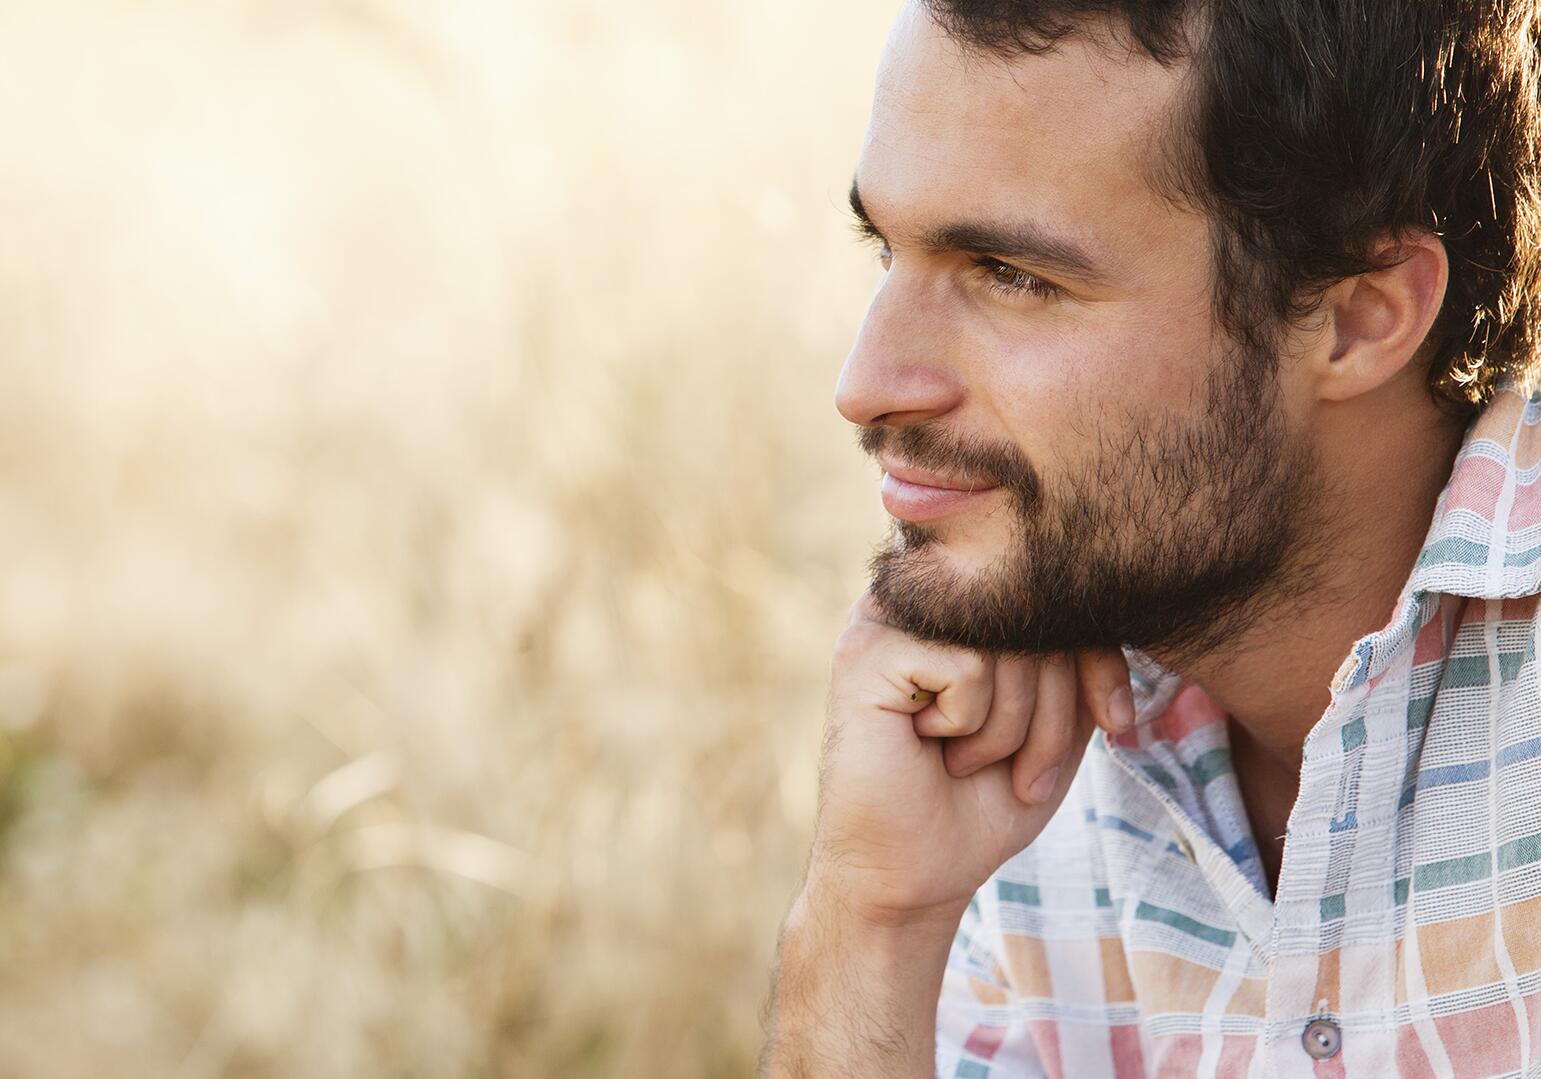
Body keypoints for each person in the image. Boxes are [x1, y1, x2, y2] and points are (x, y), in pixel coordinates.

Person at [758, 1, 1541, 1075]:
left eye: (1010, 275)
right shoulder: (1005, 785)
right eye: (883, 250)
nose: (865, 386)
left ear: (1356, 316)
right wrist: (868, 922)